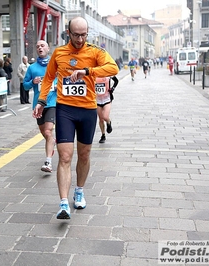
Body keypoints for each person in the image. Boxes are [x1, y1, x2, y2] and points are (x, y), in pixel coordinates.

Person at [32, 16, 119, 219]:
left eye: (83, 35)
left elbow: (113, 68)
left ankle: (79, 191)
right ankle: (63, 203)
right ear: (68, 33)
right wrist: (41, 101)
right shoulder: (59, 53)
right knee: (64, 156)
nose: (80, 39)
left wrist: (86, 71)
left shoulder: (95, 51)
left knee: (85, 155)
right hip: (65, 110)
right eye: (76, 35)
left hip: (88, 110)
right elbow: (48, 78)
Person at [24, 40, 57, 172]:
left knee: (48, 131)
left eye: (42, 46)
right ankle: (52, 143)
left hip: (52, 103)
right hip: (38, 104)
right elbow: (25, 86)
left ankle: (48, 162)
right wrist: (32, 81)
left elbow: (64, 81)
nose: (40, 48)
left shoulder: (55, 65)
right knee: (45, 133)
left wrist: (57, 84)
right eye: (37, 46)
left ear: (48, 48)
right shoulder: (32, 68)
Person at [96, 76, 118, 143]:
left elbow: (116, 81)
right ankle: (103, 135)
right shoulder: (93, 73)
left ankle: (108, 122)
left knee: (105, 116)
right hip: (97, 100)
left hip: (107, 99)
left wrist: (112, 88)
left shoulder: (108, 73)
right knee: (101, 119)